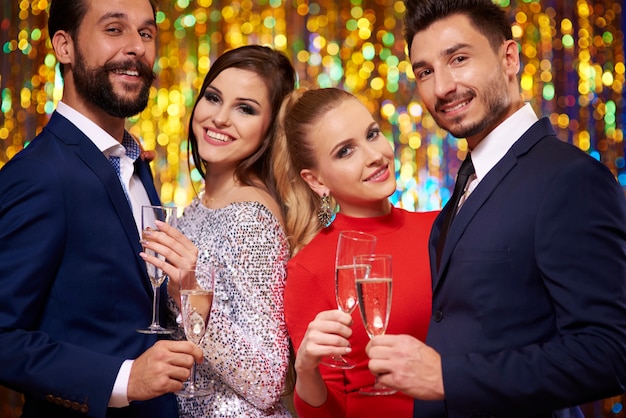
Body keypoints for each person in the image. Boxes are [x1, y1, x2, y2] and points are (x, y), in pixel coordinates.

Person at [365, 1, 626, 417]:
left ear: (509, 58)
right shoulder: (469, 183)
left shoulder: (570, 179)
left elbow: (609, 353)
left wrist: (448, 378)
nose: (442, 87)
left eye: (459, 59)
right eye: (425, 71)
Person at [0, 0, 204, 417]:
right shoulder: (38, 175)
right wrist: (124, 378)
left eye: (146, 34)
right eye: (114, 30)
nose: (136, 48)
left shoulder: (133, 163)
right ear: (64, 46)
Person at [139, 45, 297, 417]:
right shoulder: (197, 208)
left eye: (245, 108)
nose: (220, 118)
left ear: (270, 128)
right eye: (213, 98)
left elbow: (269, 378)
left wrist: (190, 295)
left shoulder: (249, 219)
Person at [271, 86, 438, 417]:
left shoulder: (441, 228)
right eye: (345, 151)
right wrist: (305, 369)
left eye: (372, 134)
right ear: (316, 181)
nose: (374, 155)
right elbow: (324, 412)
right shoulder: (310, 269)